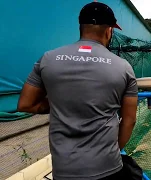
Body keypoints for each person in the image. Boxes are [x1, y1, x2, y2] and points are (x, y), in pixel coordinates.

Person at [17, 2, 138, 180]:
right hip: (108, 167)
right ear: (108, 31)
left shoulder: (48, 59)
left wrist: (60, 101)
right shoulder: (123, 67)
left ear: (81, 27)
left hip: (64, 170)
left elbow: (25, 104)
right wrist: (114, 151)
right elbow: (129, 120)